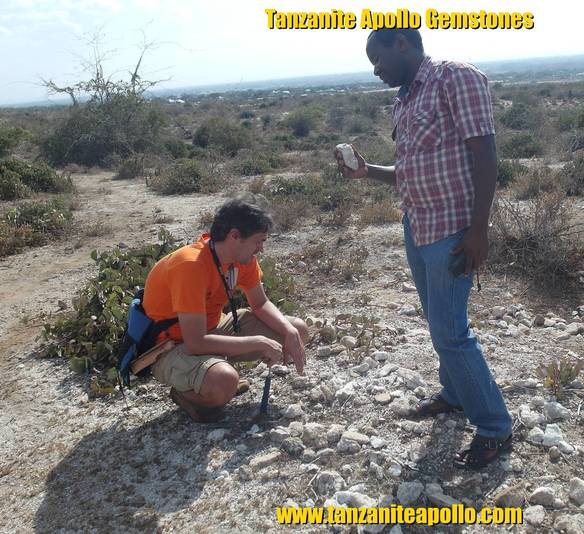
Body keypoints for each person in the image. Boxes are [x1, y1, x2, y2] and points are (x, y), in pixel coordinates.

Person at [335, 28, 513, 469]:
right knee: (438, 322)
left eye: (378, 59)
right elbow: (411, 171)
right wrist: (365, 171)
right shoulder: (406, 98)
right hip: (418, 225)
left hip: (453, 229)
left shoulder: (455, 78)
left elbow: (485, 153)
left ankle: (495, 428)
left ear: (402, 44)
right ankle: (454, 395)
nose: (376, 70)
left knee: (451, 332)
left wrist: (479, 230)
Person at [142, 198, 309, 422]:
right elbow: (195, 342)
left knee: (297, 329)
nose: (261, 248)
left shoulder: (242, 258)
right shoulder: (190, 266)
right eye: (258, 241)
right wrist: (258, 342)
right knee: (223, 382)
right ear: (234, 236)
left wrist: (288, 331)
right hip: (172, 346)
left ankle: (212, 368)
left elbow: (259, 303)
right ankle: (187, 394)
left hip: (212, 328)